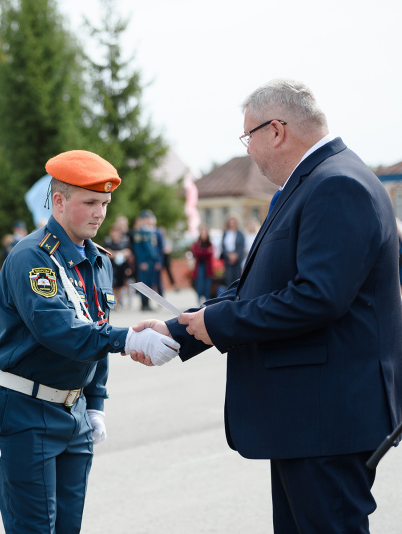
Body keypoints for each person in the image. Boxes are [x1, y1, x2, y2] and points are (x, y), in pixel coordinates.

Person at [133, 79, 402, 533]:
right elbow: (258, 285)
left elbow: (317, 297)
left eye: (248, 137)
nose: (249, 152)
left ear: (276, 130)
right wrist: (177, 331)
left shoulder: (336, 185)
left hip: (326, 419)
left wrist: (216, 323)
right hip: (312, 418)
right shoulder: (315, 183)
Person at [0, 150, 179, 533]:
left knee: (69, 527)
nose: (100, 213)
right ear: (58, 201)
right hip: (27, 411)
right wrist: (130, 338)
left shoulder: (99, 260)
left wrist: (96, 402)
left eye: (105, 204)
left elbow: (96, 328)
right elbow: (58, 330)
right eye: (90, 202)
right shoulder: (32, 257)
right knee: (34, 528)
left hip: (73, 412)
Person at [132, 209, 161, 309]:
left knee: (150, 282)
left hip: (152, 260)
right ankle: (144, 304)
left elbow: (155, 248)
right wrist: (142, 261)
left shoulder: (151, 231)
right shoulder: (139, 231)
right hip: (145, 261)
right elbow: (138, 249)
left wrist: (157, 260)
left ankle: (148, 303)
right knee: (144, 282)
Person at [103, 222, 132, 309]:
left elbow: (128, 252)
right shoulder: (108, 241)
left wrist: (120, 253)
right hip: (111, 266)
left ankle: (118, 302)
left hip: (122, 267)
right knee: (112, 285)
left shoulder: (124, 241)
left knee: (120, 285)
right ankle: (112, 302)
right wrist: (116, 254)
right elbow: (106, 252)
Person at [219, 213, 245, 289]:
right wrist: (229, 255)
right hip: (228, 259)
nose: (232, 224)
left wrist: (236, 256)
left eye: (233, 222)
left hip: (237, 259)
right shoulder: (226, 233)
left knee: (237, 279)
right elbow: (223, 246)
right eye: (230, 222)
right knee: (229, 280)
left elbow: (241, 246)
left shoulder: (240, 234)